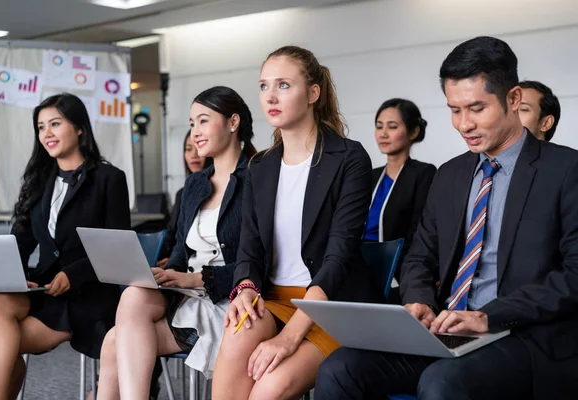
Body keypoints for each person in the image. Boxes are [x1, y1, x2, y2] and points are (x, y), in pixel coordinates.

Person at [315, 36, 578, 400]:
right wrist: (419, 301)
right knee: (340, 368)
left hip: (522, 336)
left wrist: (489, 315)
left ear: (513, 99)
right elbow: (421, 254)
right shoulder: (451, 174)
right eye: (455, 110)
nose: (464, 124)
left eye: (476, 108)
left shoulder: (565, 169)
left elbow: (574, 274)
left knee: (442, 383)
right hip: (448, 330)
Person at [211, 45, 377, 400]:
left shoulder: (350, 158)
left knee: (267, 389)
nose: (270, 96)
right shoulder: (260, 166)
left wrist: (289, 338)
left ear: (313, 93)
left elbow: (338, 258)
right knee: (233, 360)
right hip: (271, 299)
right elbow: (249, 249)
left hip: (330, 306)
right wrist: (245, 288)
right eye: (263, 86)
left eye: (283, 85)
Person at [96, 86, 256, 400]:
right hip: (186, 291)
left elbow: (261, 260)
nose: (195, 132)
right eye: (192, 123)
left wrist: (198, 278)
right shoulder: (196, 183)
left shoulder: (257, 179)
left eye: (203, 121)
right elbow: (181, 250)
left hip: (228, 297)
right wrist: (167, 274)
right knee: (134, 294)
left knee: (114, 342)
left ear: (233, 122)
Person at [0, 93, 130, 399]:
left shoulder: (109, 178)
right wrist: (12, 275)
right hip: (45, 290)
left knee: (3, 347)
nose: (46, 133)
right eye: (40, 127)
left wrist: (73, 275)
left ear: (78, 128)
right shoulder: (39, 180)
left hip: (89, 293)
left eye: (55, 124)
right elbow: (19, 242)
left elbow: (117, 250)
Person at [364, 98, 436, 244]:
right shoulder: (371, 176)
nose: (383, 134)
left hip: (396, 261)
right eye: (379, 126)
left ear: (414, 132)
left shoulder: (423, 174)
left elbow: (419, 230)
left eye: (392, 127)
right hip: (356, 259)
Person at [156, 130, 212, 268]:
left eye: (198, 147)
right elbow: (171, 233)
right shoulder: (183, 193)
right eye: (188, 149)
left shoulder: (221, 190)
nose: (193, 155)